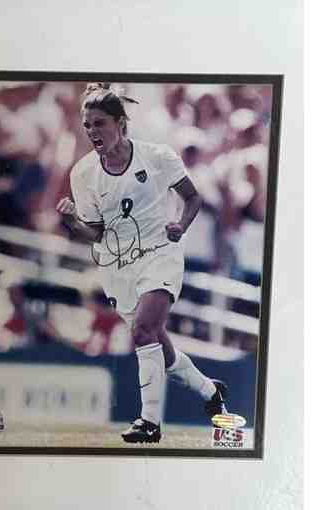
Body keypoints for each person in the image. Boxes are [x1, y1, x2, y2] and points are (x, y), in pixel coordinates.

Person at [56, 83, 229, 443]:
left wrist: (180, 224)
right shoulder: (83, 174)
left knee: (143, 331)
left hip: (161, 253)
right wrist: (73, 222)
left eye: (99, 123)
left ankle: (149, 422)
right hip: (118, 266)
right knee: (154, 341)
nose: (92, 132)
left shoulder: (157, 156)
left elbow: (192, 198)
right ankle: (209, 390)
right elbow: (96, 233)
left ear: (120, 123)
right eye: (87, 125)